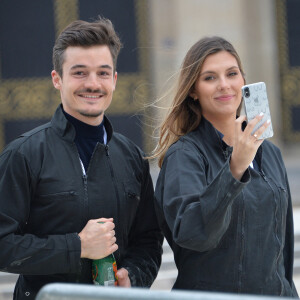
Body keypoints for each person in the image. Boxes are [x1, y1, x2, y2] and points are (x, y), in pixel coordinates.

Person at [0, 17, 163, 300]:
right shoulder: (23, 154)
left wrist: (133, 277)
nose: (92, 83)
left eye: (102, 73)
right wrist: (77, 247)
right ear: (57, 79)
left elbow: (148, 241)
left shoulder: (133, 158)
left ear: (114, 80)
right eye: (79, 73)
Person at [153, 36, 298, 297]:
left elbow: (283, 249)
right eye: (210, 78)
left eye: (232, 74)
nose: (224, 85)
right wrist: (235, 169)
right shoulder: (184, 156)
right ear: (193, 90)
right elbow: (195, 233)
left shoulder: (270, 153)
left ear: (243, 80)